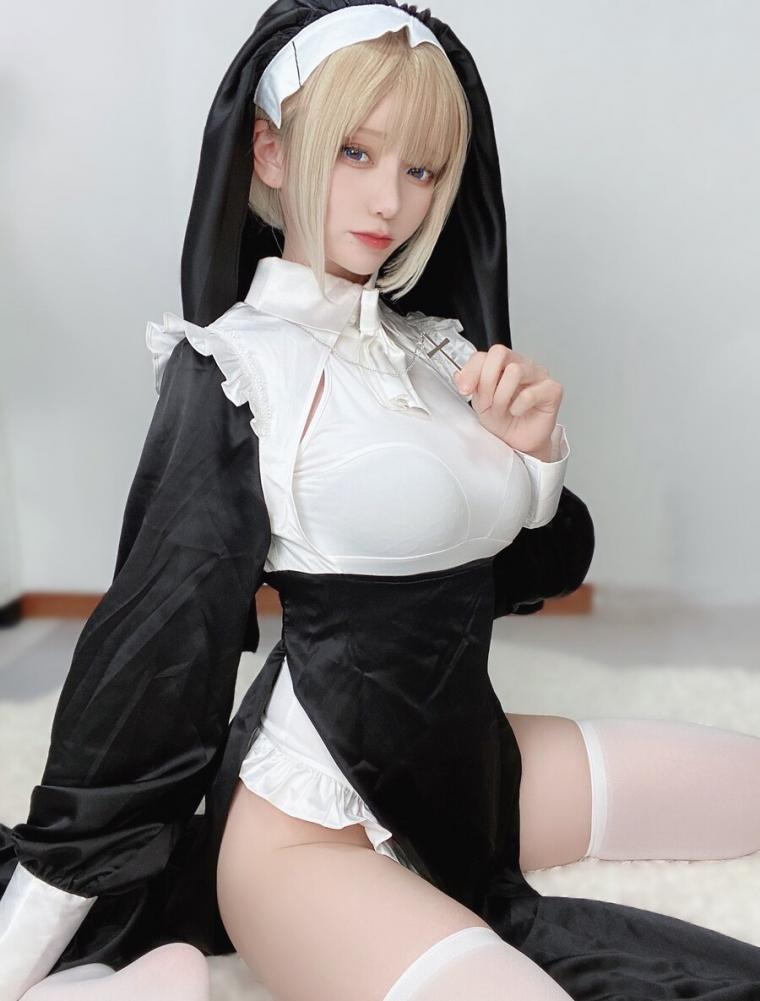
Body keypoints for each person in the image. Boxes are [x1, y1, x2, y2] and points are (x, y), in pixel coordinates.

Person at [2, 2, 760, 999]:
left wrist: (534, 456)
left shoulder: (436, 350)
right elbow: (156, 646)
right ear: (270, 152)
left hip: (469, 772)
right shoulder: (235, 369)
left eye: (422, 169)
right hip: (304, 830)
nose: (389, 200)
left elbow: (534, 567)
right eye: (354, 152)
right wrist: (38, 913)